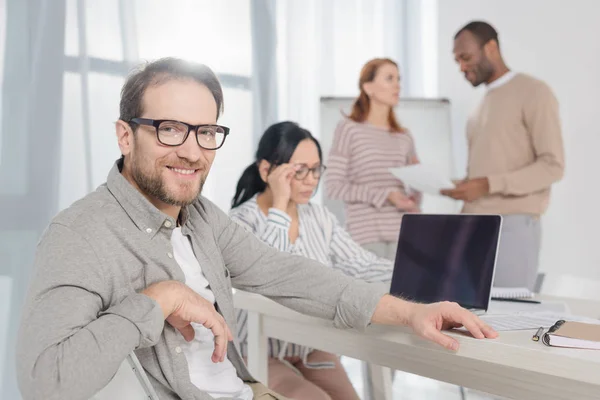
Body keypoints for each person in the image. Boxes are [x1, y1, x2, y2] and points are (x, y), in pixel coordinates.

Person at [16, 58, 497, 400]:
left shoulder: (201, 217)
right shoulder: (80, 234)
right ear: (126, 135)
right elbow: (45, 381)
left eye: (206, 132)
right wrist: (158, 299)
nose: (191, 151)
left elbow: (287, 273)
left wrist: (409, 312)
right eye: (169, 128)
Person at [230, 121, 393, 400]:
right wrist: (280, 206)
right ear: (267, 170)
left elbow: (360, 263)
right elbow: (270, 276)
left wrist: (412, 272)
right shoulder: (240, 222)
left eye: (316, 169)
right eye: (299, 170)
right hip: (258, 349)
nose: (311, 179)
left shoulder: (319, 217)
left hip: (311, 347)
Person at [441, 21, 565, 291]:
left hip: (511, 225)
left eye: (466, 57)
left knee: (506, 317)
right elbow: (490, 166)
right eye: (456, 61)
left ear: (491, 47)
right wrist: (463, 186)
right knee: (466, 318)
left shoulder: (534, 92)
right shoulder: (479, 105)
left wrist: (487, 185)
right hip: (472, 224)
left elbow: (552, 166)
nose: (461, 66)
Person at [326, 58, 421, 262]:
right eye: (389, 78)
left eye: (398, 79)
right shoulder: (349, 129)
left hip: (403, 235)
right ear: (368, 87)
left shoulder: (404, 136)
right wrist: (386, 195)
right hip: (366, 236)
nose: (397, 85)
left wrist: (414, 194)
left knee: (406, 294)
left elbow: (416, 186)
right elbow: (333, 186)